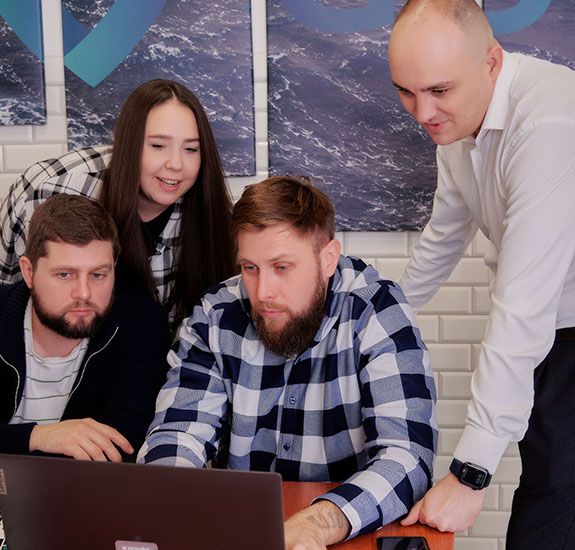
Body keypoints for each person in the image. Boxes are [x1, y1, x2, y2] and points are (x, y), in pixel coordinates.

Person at [138, 176, 437, 548]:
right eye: (250, 268)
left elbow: (407, 456)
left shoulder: (376, 310)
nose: (263, 293)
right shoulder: (215, 314)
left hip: (348, 532)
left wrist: (318, 522)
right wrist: (172, 501)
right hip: (244, 529)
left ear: (328, 259)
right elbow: (179, 432)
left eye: (281, 267)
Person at [388, 0, 575, 546]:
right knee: (551, 486)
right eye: (406, 92)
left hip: (560, 319)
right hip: (554, 324)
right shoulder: (458, 123)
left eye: (439, 90)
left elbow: (522, 306)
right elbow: (445, 233)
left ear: (491, 62)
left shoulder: (548, 124)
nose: (422, 112)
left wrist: (470, 473)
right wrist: (376, 313)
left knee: (552, 499)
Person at [0, 79, 236, 331]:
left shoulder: (208, 210)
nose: (176, 164)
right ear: (129, 144)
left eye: (190, 149)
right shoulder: (50, 190)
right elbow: (9, 297)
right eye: (158, 146)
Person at [0, 194, 170, 462]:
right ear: (29, 272)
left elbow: (122, 445)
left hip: (86, 488)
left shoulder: (140, 323)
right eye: (65, 274)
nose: (84, 293)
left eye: (98, 275)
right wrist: (38, 436)